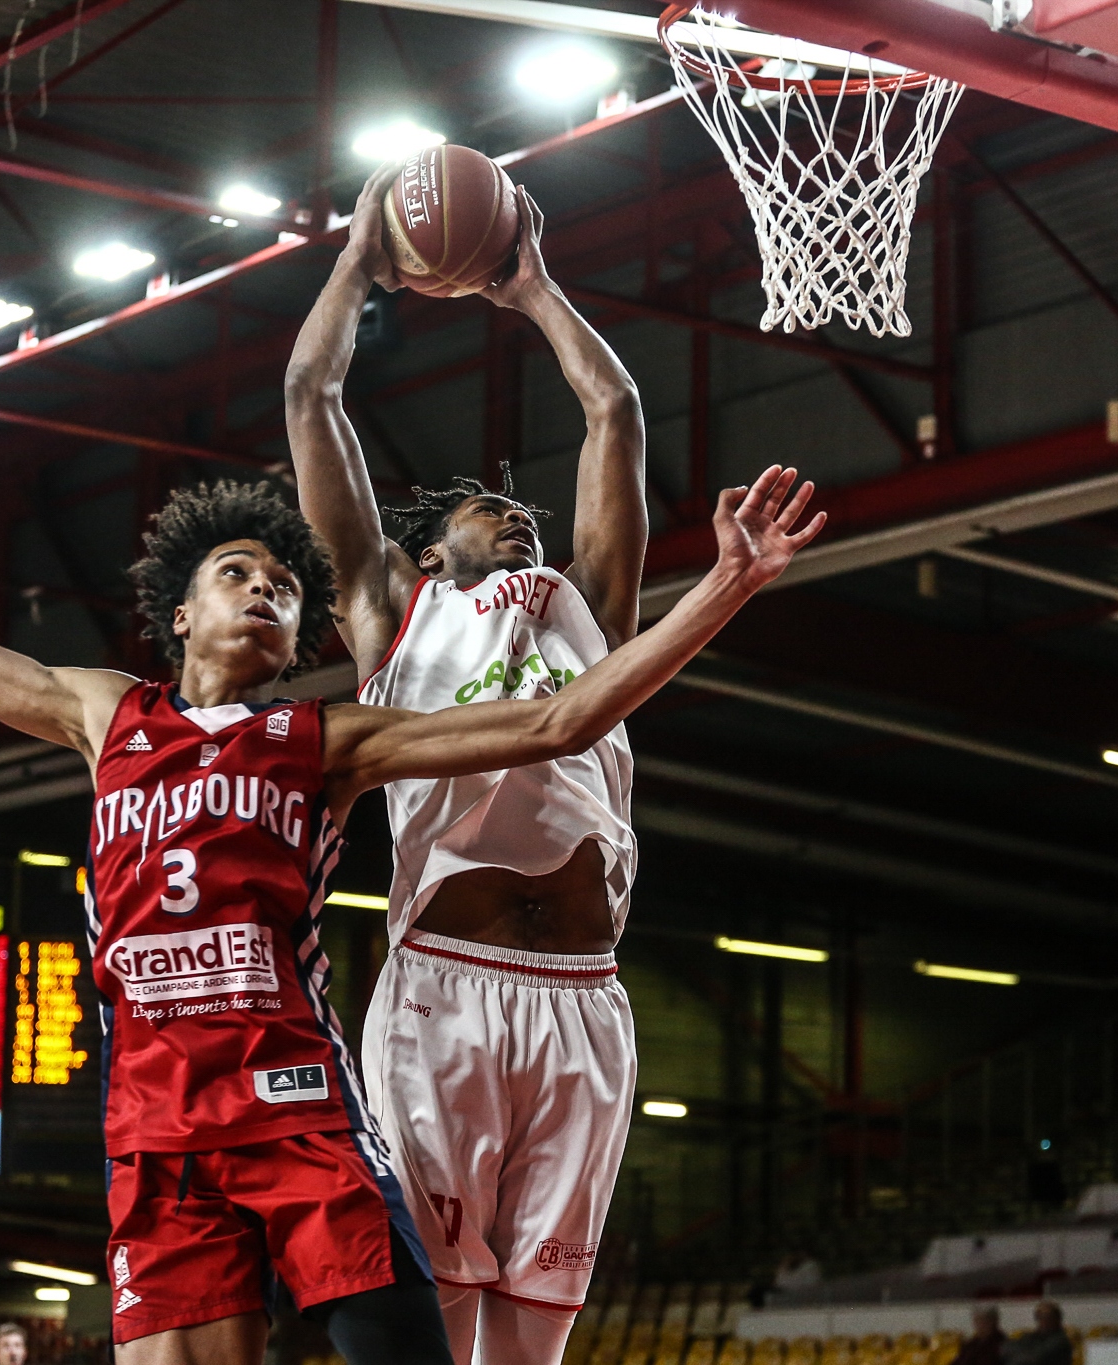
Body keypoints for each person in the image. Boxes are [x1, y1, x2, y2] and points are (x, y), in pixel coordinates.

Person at [0, 464, 822, 1365]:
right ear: (180, 613)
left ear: (297, 640)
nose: (263, 591)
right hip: (155, 1125)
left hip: (298, 1113)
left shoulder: (324, 741)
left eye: (283, 590)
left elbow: (561, 722)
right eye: (236, 574)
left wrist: (725, 585)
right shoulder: (106, 715)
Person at [285, 164, 656, 1361]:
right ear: (425, 538)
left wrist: (535, 289)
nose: (515, 516)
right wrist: (356, 262)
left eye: (520, 508)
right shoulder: (388, 610)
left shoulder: (583, 608)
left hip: (586, 1003)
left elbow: (614, 415)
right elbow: (309, 395)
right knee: (433, 1335)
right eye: (484, 507)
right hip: (444, 990)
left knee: (531, 1347)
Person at [1002, 1301, 1070, 1365]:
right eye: (1039, 1317)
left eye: (1047, 1317)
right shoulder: (1032, 1336)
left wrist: (1015, 1356)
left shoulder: (1060, 1342)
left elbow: (1034, 1359)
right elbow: (1006, 1348)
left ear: (1057, 1319)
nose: (1043, 1321)